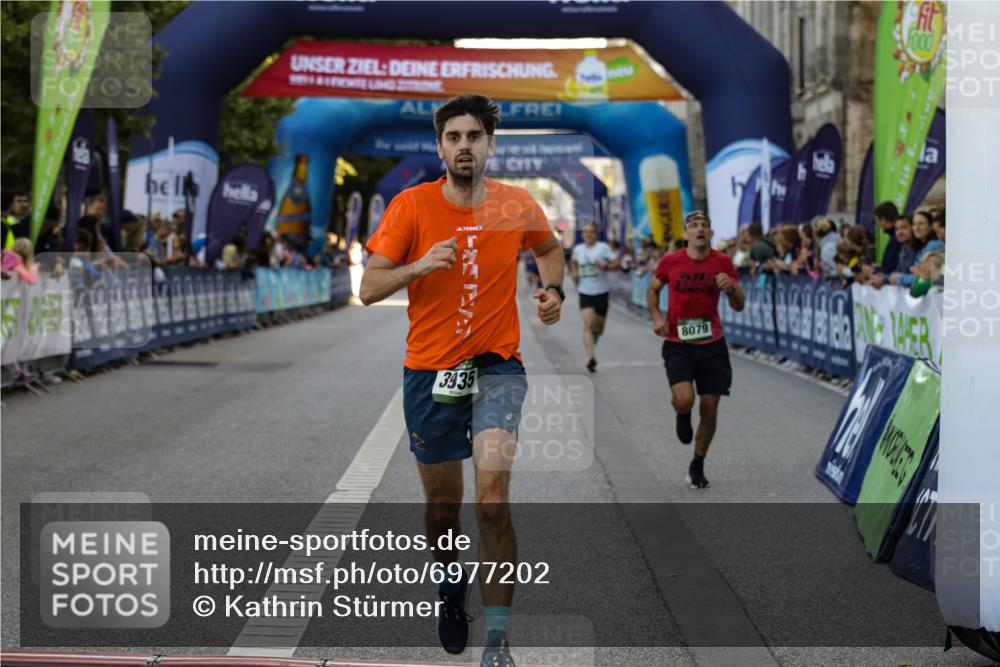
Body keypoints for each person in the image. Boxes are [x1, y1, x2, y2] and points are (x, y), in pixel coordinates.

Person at [360, 94, 564, 667]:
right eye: (454, 137)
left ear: (490, 144)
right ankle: (451, 586)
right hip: (430, 373)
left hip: (497, 367)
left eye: (474, 136)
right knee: (443, 510)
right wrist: (420, 265)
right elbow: (368, 288)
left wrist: (553, 289)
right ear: (440, 148)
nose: (464, 146)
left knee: (492, 501)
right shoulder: (411, 206)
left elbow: (549, 249)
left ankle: (497, 640)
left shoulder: (517, 204)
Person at [646, 210, 745, 489]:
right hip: (678, 344)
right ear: (686, 233)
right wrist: (656, 317)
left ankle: (698, 463)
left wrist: (731, 289)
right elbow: (653, 290)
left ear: (710, 233)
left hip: (712, 344)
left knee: (710, 409)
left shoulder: (722, 262)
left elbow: (739, 305)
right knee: (684, 399)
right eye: (694, 225)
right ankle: (682, 413)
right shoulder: (671, 261)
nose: (700, 229)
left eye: (704, 226)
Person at [570, 221, 619, 372]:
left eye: (591, 232)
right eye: (585, 232)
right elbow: (573, 262)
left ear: (596, 234)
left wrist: (605, 266)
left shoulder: (603, 248)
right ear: (582, 235)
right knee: (587, 325)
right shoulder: (578, 249)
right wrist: (574, 272)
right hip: (585, 292)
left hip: (602, 292)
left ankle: (594, 338)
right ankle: (591, 357)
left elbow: (616, 263)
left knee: (599, 328)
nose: (588, 234)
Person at [892, 210, 943, 287]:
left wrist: (898, 278)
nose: (917, 228)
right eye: (914, 224)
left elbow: (924, 278)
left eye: (921, 224)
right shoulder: (921, 246)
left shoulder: (934, 245)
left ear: (931, 227)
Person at [874, 201, 901, 274]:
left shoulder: (895, 240)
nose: (878, 224)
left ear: (883, 220)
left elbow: (889, 269)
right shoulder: (894, 238)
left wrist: (875, 272)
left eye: (877, 221)